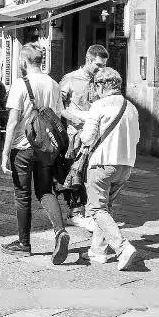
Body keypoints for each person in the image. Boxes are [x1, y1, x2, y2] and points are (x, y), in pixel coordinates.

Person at [0, 43, 69, 264]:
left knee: (22, 195)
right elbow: (58, 117)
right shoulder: (53, 84)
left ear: (23, 61)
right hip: (46, 149)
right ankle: (60, 231)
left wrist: (4, 152)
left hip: (23, 147)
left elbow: (12, 122)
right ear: (41, 61)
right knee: (45, 190)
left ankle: (23, 243)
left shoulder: (20, 84)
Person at [80, 67, 141, 270]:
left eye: (96, 86)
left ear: (101, 85)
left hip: (102, 163)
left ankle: (122, 248)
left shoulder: (99, 105)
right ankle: (98, 251)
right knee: (105, 208)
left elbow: (88, 138)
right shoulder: (131, 107)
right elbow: (137, 138)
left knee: (96, 208)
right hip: (125, 165)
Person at [59, 44, 109, 231]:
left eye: (103, 65)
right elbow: (57, 106)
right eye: (98, 65)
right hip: (75, 136)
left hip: (95, 135)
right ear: (88, 60)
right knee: (75, 173)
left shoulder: (101, 81)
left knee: (91, 174)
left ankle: (88, 211)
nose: (101, 69)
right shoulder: (70, 79)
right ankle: (75, 213)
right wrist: (73, 119)